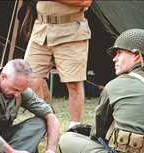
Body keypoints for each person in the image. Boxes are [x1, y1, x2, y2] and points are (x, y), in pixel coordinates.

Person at [0, 59, 60, 153]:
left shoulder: (20, 89)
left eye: (21, 90)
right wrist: (13, 152)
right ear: (3, 77)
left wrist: (51, 150)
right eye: (15, 89)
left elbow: (51, 117)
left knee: (41, 122)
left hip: (2, 138)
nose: (17, 94)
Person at [24, 0, 93, 129]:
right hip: (41, 29)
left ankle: (74, 129)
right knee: (30, 78)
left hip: (71, 30)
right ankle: (47, 119)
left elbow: (85, 1)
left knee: (74, 83)